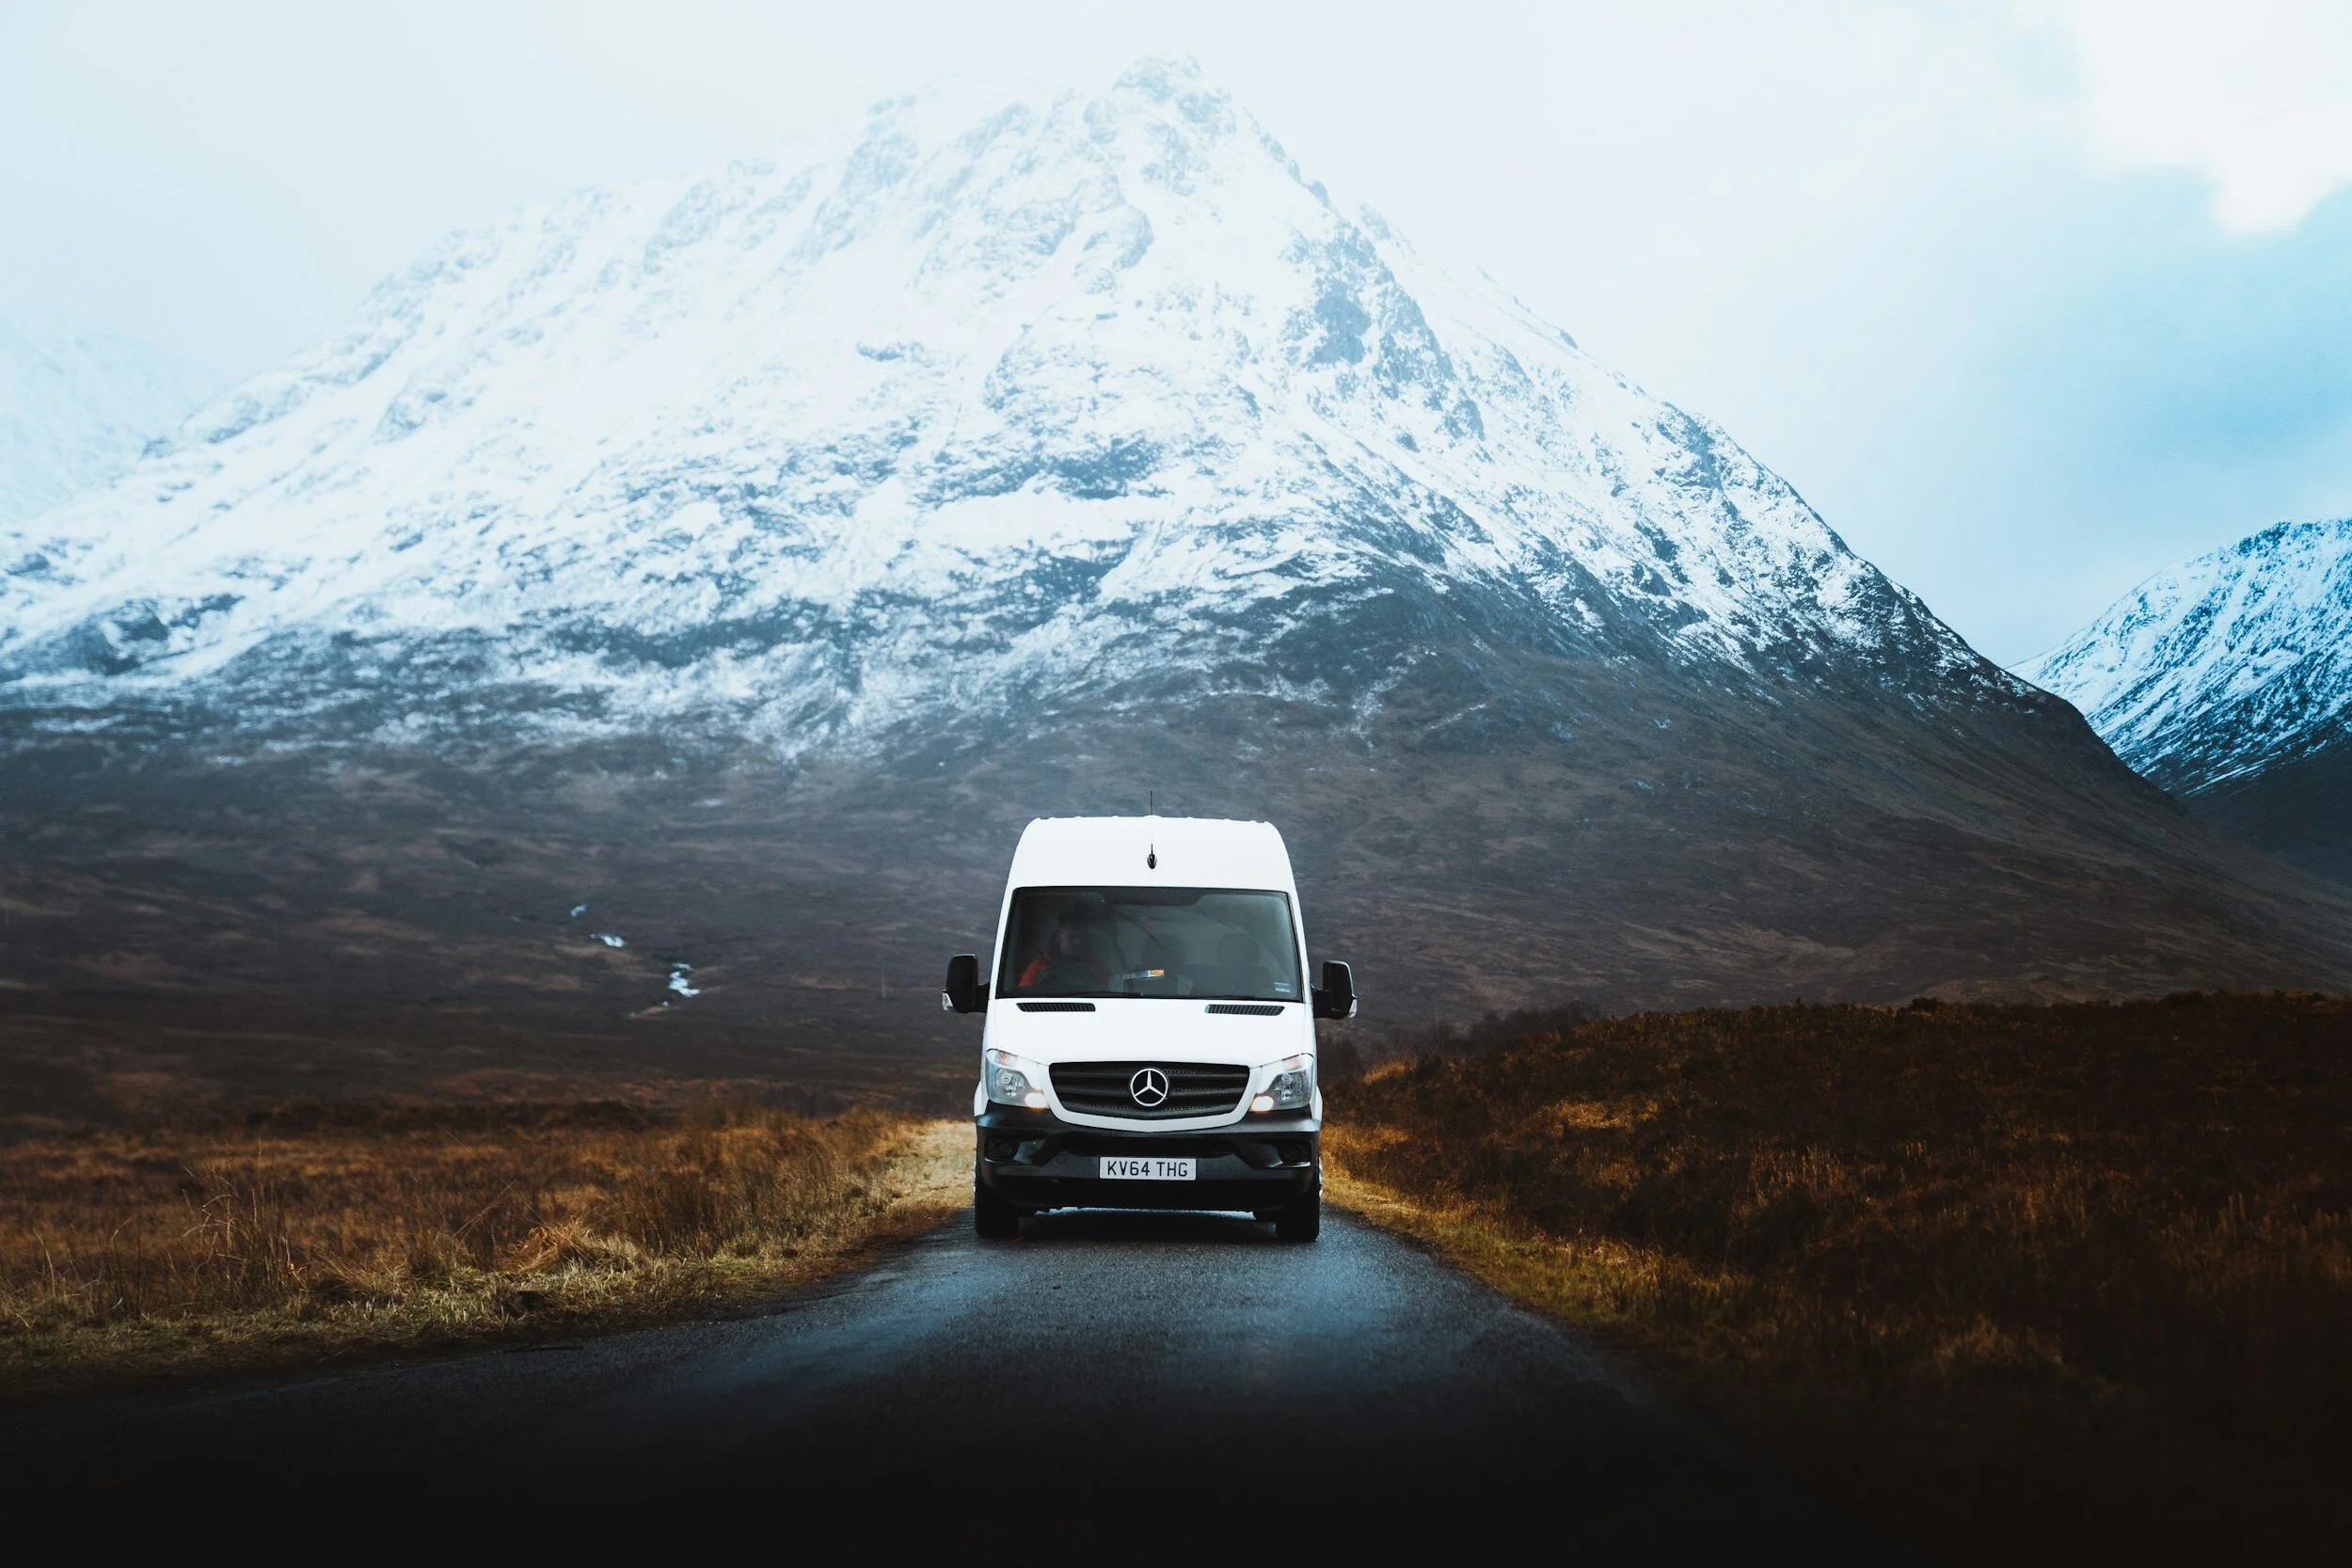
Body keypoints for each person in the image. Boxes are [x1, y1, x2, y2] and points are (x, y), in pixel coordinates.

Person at [1017, 906, 1116, 991]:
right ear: (1059, 937)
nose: (1078, 942)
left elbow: (1110, 993)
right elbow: (1023, 995)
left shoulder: (1096, 968)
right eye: (1072, 936)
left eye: (1082, 938)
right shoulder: (1038, 968)